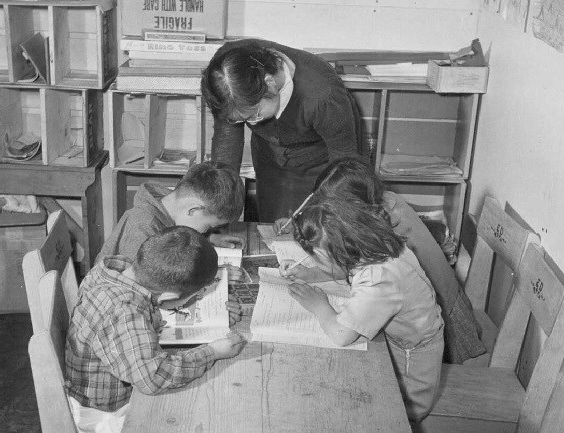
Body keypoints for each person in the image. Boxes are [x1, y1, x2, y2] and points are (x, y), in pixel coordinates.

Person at [277, 157, 485, 364]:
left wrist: (319, 304)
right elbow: (349, 264)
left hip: (444, 326)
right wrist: (310, 273)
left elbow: (345, 326)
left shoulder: (388, 234)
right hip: (414, 324)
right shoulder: (378, 210)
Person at [65, 226, 246, 433]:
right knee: (208, 414)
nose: (197, 299)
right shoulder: (123, 313)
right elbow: (154, 378)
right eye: (196, 296)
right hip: (106, 414)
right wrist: (212, 352)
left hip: (113, 387)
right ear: (168, 297)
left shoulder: (113, 270)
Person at [285, 195, 444, 424]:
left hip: (412, 371)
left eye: (315, 257)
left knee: (377, 416)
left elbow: (342, 335)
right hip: (401, 342)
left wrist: (320, 307)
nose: (311, 261)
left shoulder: (379, 279)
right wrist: (312, 274)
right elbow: (347, 269)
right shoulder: (377, 244)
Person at [201, 38, 363, 222]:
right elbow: (227, 136)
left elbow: (344, 162)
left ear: (270, 83)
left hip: (320, 164)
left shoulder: (323, 95)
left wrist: (324, 211)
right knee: (272, 226)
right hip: (269, 157)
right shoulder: (227, 71)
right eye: (244, 120)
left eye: (255, 115)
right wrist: (220, 205)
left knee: (315, 226)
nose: (252, 123)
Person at [97, 161, 245, 277]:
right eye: (207, 227)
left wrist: (209, 238)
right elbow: (145, 285)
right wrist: (216, 276)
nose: (205, 230)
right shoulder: (141, 229)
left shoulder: (172, 203)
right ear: (193, 210)